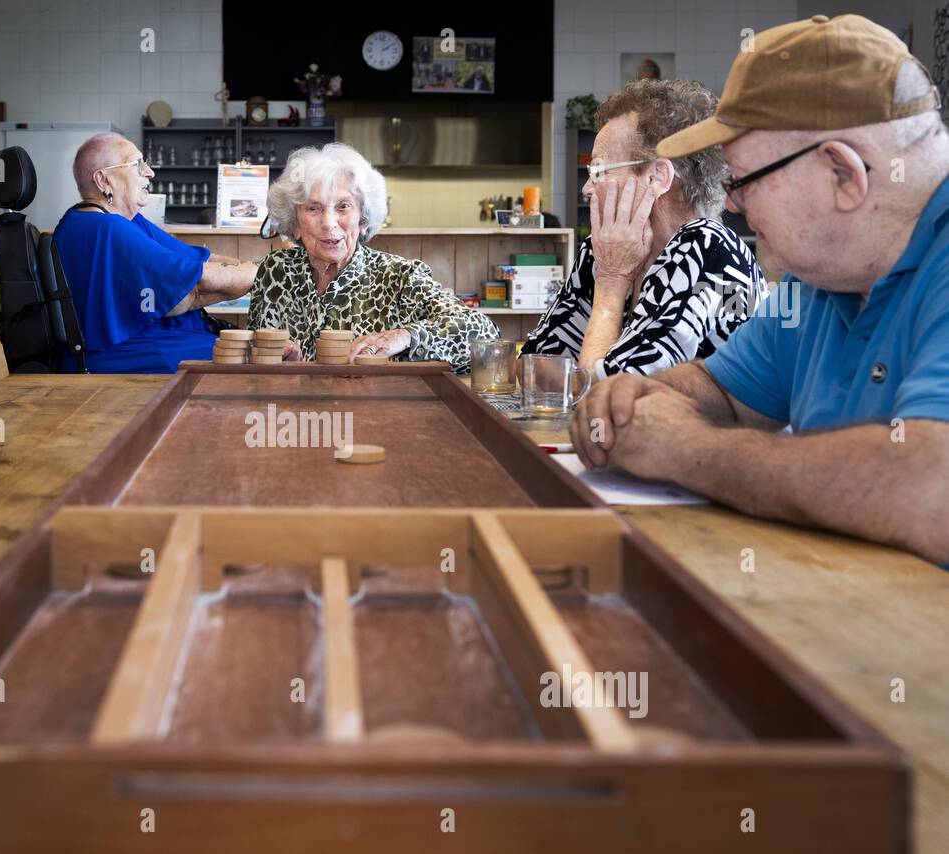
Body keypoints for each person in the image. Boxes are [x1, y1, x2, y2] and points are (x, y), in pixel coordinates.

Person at [570, 15, 949, 566]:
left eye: (742, 181)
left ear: (842, 175)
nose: (731, 205)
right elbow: (725, 393)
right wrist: (637, 396)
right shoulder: (823, 275)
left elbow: (930, 491)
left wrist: (689, 451)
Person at [524, 80, 764, 379]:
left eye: (598, 170)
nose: (587, 188)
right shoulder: (603, 250)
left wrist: (612, 284)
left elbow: (610, 395)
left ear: (657, 177)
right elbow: (534, 368)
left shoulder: (708, 250)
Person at [248, 143, 498, 371]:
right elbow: (255, 355)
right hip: (297, 414)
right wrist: (288, 368)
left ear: (363, 219)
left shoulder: (399, 277)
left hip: (380, 414)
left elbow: (484, 335)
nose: (329, 223)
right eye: (314, 209)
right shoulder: (275, 271)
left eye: (343, 206)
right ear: (296, 224)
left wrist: (404, 336)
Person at [53, 132, 257, 373]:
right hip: (130, 350)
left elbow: (203, 259)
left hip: (155, 338)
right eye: (138, 165)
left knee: (258, 350)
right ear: (103, 180)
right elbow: (195, 286)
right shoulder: (107, 227)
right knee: (259, 358)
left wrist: (248, 268)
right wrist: (265, 272)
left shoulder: (128, 220)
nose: (150, 172)